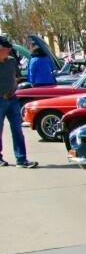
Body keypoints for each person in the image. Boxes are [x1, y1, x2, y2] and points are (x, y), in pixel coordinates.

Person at [0, 36, 38, 168]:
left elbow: (17, 76)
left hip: (12, 99)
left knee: (17, 129)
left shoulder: (11, 61)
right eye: (5, 49)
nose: (8, 52)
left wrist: (13, 87)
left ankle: (21, 159)